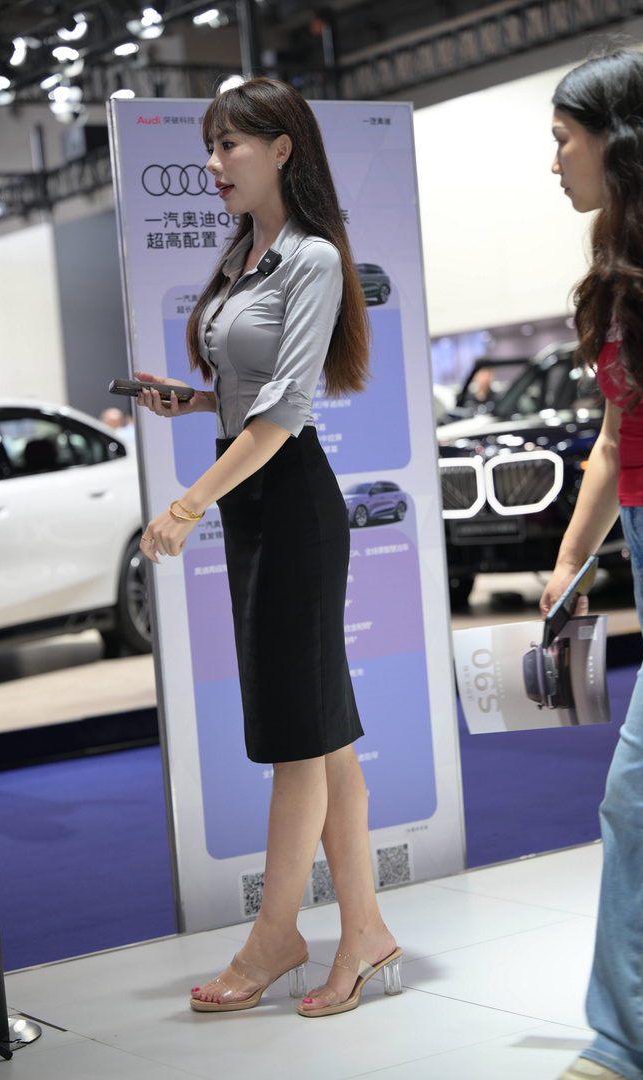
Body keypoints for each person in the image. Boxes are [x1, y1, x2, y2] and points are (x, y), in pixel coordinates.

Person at [135, 76, 401, 1017]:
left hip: (288, 503)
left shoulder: (313, 258)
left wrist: (187, 504)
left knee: (297, 737)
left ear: (282, 148)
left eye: (229, 146)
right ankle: (365, 935)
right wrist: (196, 400)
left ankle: (274, 938)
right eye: (209, 148)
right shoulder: (246, 255)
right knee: (324, 737)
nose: (213, 165)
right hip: (257, 503)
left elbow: (287, 411)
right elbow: (251, 393)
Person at [542, 50, 643, 1080]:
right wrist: (570, 559)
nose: (554, 163)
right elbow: (614, 437)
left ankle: (628, 1048)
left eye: (562, 139)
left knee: (639, 797)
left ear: (615, 140)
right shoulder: (623, 270)